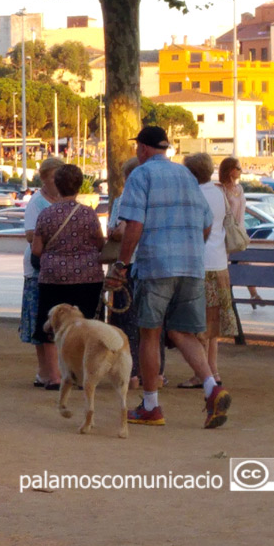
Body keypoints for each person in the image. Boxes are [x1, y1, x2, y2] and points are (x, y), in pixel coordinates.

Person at [109, 125, 231, 429]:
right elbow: (206, 222)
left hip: (156, 265)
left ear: (143, 149)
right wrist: (191, 249)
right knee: (183, 333)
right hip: (192, 265)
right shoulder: (187, 175)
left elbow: (134, 224)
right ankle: (211, 387)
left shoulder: (141, 174)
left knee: (150, 333)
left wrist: (122, 264)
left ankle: (151, 405)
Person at [31, 164, 105, 382]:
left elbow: (36, 249)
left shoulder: (46, 214)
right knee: (87, 325)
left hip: (53, 277)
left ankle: (54, 376)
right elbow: (100, 244)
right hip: (87, 278)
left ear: (57, 185)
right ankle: (84, 375)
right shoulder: (89, 214)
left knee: (53, 324)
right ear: (79, 185)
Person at [108, 157, 166, 391]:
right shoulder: (158, 201)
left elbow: (117, 231)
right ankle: (157, 373)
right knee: (154, 321)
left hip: (130, 264)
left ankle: (131, 372)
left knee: (127, 320)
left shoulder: (123, 200)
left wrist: (115, 235)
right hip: (154, 264)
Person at [179, 153, 237, 388]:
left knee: (198, 322)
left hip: (199, 264)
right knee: (213, 325)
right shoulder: (218, 192)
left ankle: (202, 373)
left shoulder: (193, 194)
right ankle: (213, 369)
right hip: (220, 262)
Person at [20, 157, 64, 389]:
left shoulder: (64, 199)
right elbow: (29, 234)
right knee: (40, 321)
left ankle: (49, 371)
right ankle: (45, 371)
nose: (56, 182)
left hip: (58, 267)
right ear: (44, 178)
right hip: (39, 267)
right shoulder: (37, 202)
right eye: (52, 177)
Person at [219, 157, 262, 305]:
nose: (240, 171)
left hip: (240, 232)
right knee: (226, 264)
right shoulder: (222, 189)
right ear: (230, 170)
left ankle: (254, 294)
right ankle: (228, 295)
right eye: (238, 168)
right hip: (227, 233)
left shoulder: (240, 188)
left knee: (244, 262)